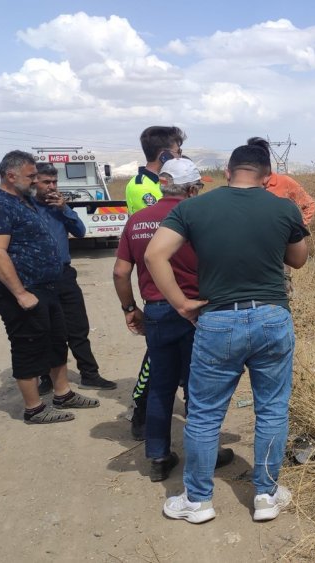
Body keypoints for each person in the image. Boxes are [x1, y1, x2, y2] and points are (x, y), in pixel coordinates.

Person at [146, 139, 309, 524]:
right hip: (271, 317)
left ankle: (198, 501)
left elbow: (155, 255)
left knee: (203, 414)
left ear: (226, 173)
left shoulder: (194, 207)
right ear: (268, 177)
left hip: (218, 319)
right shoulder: (283, 207)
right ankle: (266, 497)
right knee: (271, 409)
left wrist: (181, 304)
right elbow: (298, 260)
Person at [113, 157, 231, 482]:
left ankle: (158, 457)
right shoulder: (200, 217)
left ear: (163, 183)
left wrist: (129, 309)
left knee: (161, 385)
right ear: (193, 189)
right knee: (200, 387)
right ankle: (206, 453)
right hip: (196, 310)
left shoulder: (137, 220)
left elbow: (121, 271)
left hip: (157, 311)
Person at [0, 150, 100, 424]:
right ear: (10, 175)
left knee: (57, 339)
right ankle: (34, 408)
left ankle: (63, 393)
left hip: (48, 286)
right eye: (31, 176)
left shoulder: (24, 201)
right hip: (21, 291)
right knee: (28, 344)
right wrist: (20, 293)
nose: (36, 181)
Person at [125, 126, 187, 440]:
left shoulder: (162, 182)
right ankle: (141, 411)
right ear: (164, 155)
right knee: (157, 360)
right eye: (177, 151)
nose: (180, 156)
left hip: (178, 279)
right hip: (163, 283)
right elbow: (153, 235)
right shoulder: (143, 187)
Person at [33, 163, 116, 394]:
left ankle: (90, 374)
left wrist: (65, 209)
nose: (51, 187)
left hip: (64, 275)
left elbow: (80, 231)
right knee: (47, 330)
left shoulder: (59, 208)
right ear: (34, 182)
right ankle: (48, 378)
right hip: (39, 279)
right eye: (46, 182)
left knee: (78, 327)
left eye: (54, 182)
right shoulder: (27, 208)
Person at [247, 137, 315, 294]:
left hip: (280, 250)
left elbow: (309, 204)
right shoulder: (244, 184)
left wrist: (298, 228)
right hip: (252, 249)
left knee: (281, 289)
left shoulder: (284, 182)